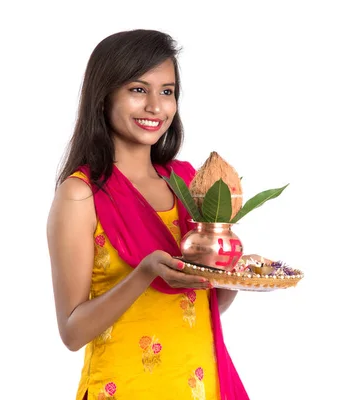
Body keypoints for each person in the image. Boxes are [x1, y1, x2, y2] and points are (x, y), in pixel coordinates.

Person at [46, 29, 249, 400]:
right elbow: (72, 333)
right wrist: (144, 273)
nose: (156, 107)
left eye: (167, 91)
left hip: (201, 386)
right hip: (124, 389)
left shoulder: (187, 183)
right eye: (138, 90)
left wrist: (232, 274)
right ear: (104, 96)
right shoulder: (81, 194)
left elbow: (203, 306)